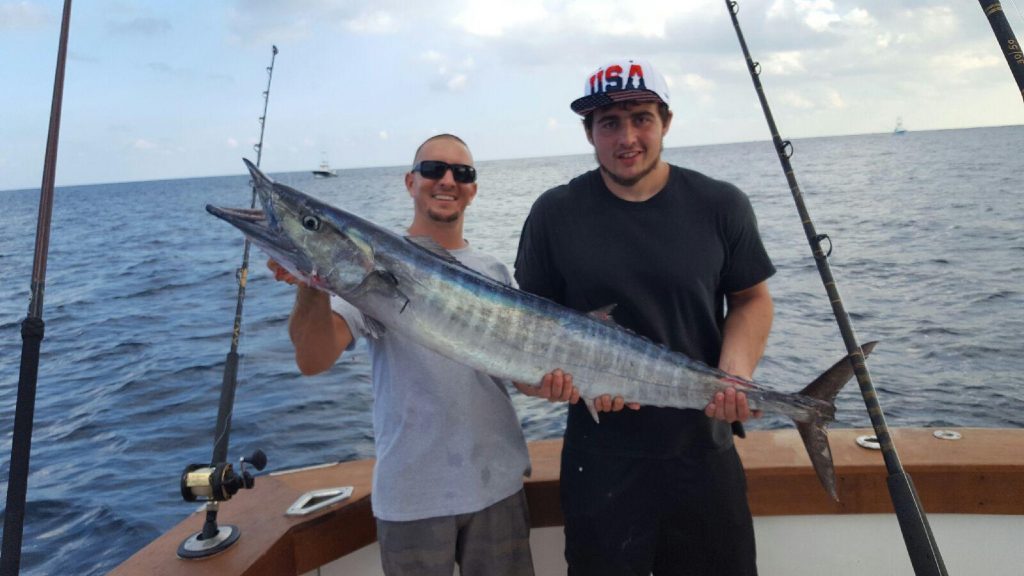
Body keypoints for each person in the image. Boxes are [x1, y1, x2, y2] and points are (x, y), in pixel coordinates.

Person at [268, 133, 577, 576]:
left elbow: (521, 377)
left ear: (473, 188)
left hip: (497, 489)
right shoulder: (366, 265)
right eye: (433, 169)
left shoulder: (492, 271)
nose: (447, 180)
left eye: (462, 173)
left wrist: (555, 385)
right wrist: (310, 282)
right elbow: (313, 360)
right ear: (410, 182)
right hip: (411, 499)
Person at [514, 59, 776, 575]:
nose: (626, 137)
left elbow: (751, 298)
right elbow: (527, 335)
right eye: (609, 123)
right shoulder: (554, 212)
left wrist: (736, 376)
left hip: (703, 452)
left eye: (641, 118)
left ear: (666, 122)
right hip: (600, 460)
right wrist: (547, 383)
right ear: (589, 133)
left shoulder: (721, 204)